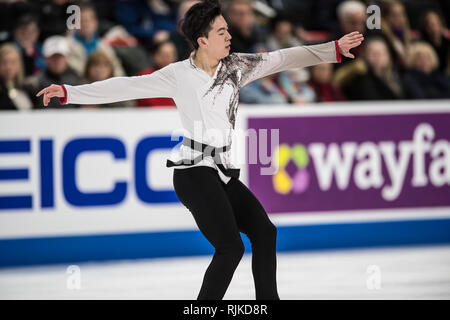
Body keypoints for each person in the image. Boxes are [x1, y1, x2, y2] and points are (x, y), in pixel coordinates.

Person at [36, 0, 363, 300]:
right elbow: (125, 85)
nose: (229, 35)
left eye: (227, 29)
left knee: (265, 232)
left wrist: (332, 49)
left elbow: (283, 58)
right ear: (203, 39)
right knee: (230, 248)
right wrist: (68, 92)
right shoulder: (178, 75)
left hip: (220, 172)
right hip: (193, 173)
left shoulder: (237, 66)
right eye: (221, 31)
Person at [27, 35, 81, 109]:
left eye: (60, 56)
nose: (57, 61)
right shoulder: (34, 84)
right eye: (53, 57)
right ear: (45, 59)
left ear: (66, 58)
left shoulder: (78, 81)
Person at [135, 39, 177, 107]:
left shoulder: (181, 77)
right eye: (165, 55)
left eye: (172, 54)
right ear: (155, 56)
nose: (169, 58)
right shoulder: (145, 77)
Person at [0, 43, 33, 111]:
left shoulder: (28, 89)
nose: (8, 67)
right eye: (4, 62)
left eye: (13, 62)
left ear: (19, 65)